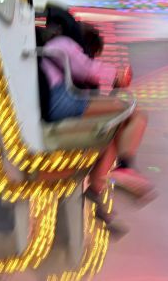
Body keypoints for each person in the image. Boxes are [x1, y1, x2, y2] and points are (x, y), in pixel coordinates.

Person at [41, 20, 155, 228]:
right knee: (131, 110)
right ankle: (124, 168)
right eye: (90, 53)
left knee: (110, 131)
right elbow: (86, 69)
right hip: (62, 101)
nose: (89, 57)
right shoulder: (64, 44)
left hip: (62, 100)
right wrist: (116, 76)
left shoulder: (56, 48)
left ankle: (96, 189)